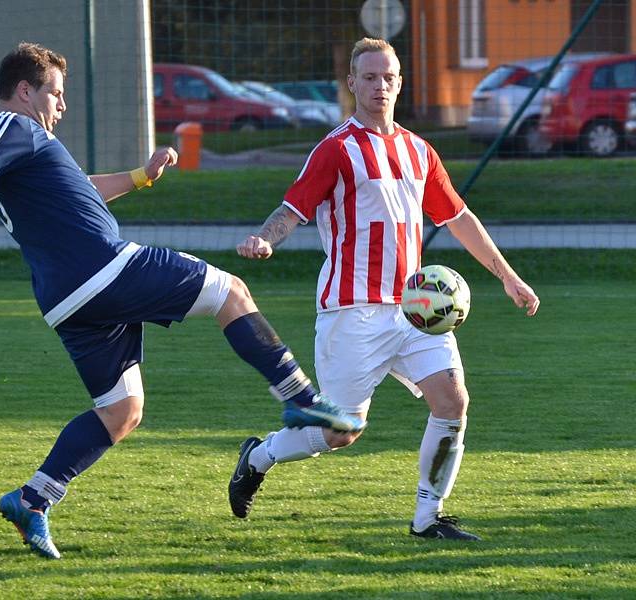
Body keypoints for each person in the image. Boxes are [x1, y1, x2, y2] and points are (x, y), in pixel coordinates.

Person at [0, 42, 364, 559]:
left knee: (122, 410)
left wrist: (142, 177)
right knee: (231, 291)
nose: (62, 105)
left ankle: (32, 499)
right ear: (24, 90)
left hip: (70, 300)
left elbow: (82, 190)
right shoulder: (10, 126)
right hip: (101, 270)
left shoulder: (28, 145)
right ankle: (301, 400)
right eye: (55, 93)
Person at [230, 37, 540, 541]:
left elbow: (458, 217)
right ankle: (259, 455)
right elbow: (293, 208)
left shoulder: (419, 150)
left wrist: (507, 276)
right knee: (341, 432)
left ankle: (428, 518)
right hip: (352, 312)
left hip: (416, 309)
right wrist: (265, 240)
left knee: (453, 401)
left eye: (388, 77)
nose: (380, 86)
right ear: (352, 83)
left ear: (400, 81)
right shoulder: (336, 149)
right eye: (369, 77)